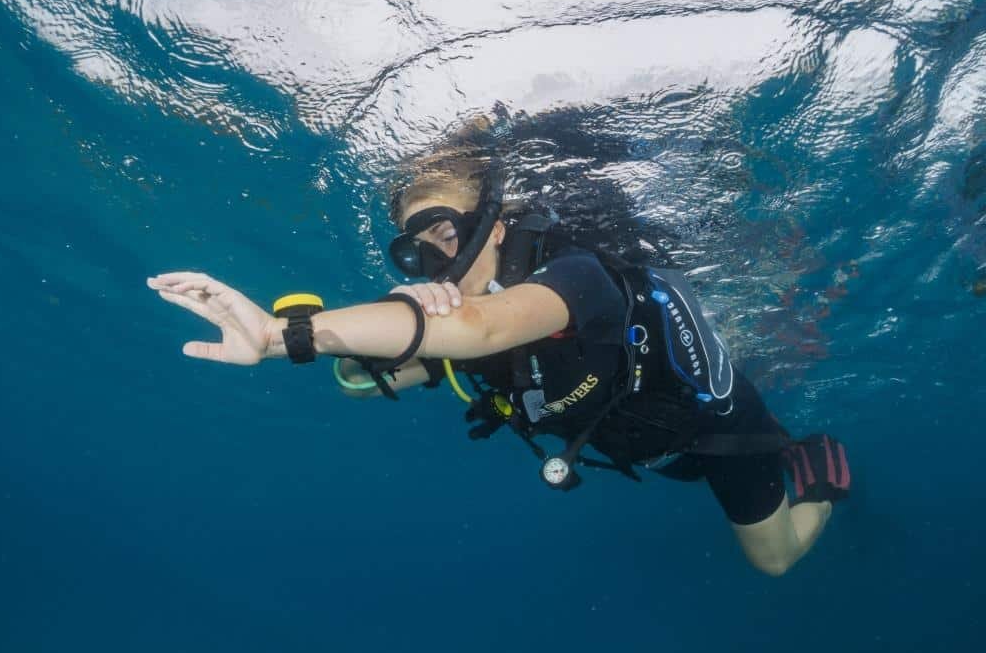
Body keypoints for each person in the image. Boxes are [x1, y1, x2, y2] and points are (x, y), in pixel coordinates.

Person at [147, 128, 850, 577]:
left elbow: (483, 329)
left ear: (495, 219)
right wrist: (336, 342)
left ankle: (822, 482)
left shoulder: (579, 276)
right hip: (645, 450)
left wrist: (282, 336)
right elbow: (360, 382)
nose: (431, 259)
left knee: (774, 558)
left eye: (443, 233)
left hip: (718, 434)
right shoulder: (457, 322)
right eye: (412, 248)